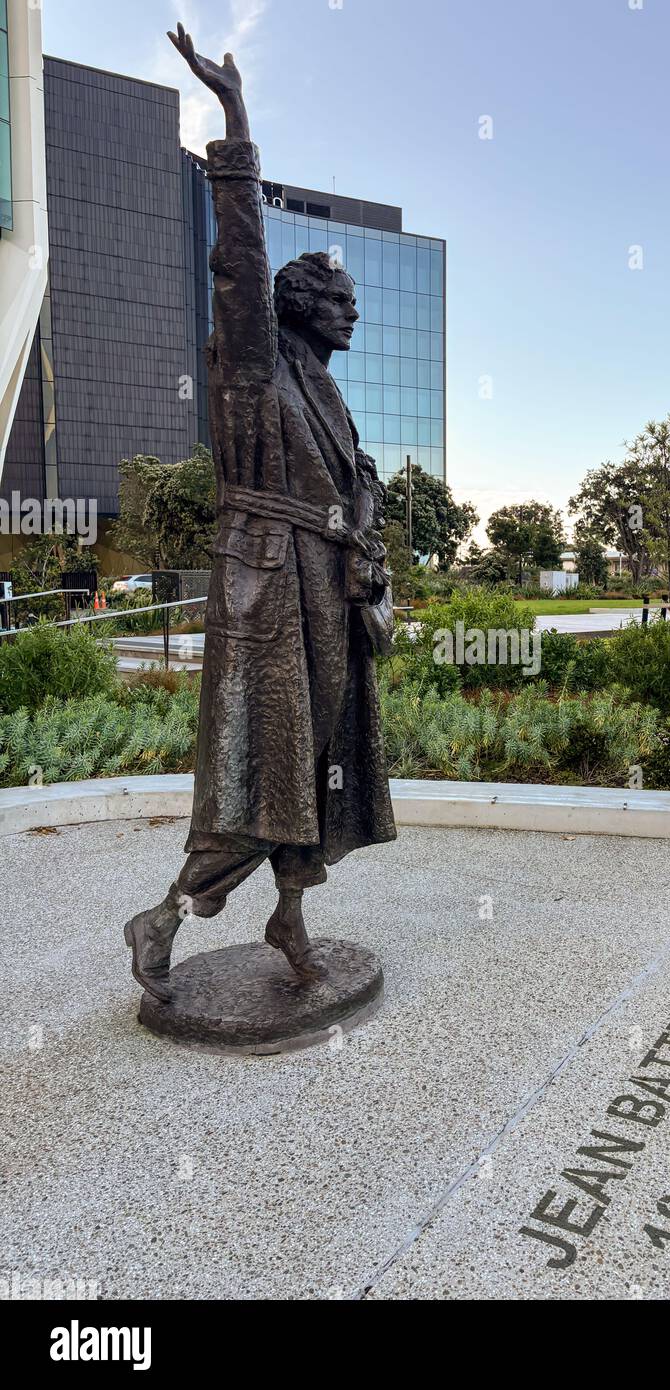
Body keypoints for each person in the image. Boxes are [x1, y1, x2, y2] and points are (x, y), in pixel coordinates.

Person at [124, 24, 396, 1002]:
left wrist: (367, 548)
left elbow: (356, 489)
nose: (352, 312)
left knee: (313, 764)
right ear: (296, 303)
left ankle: (289, 915)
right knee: (258, 765)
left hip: (324, 593)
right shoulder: (252, 365)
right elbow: (236, 264)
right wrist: (235, 122)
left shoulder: (326, 390)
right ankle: (163, 917)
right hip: (269, 590)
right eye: (341, 298)